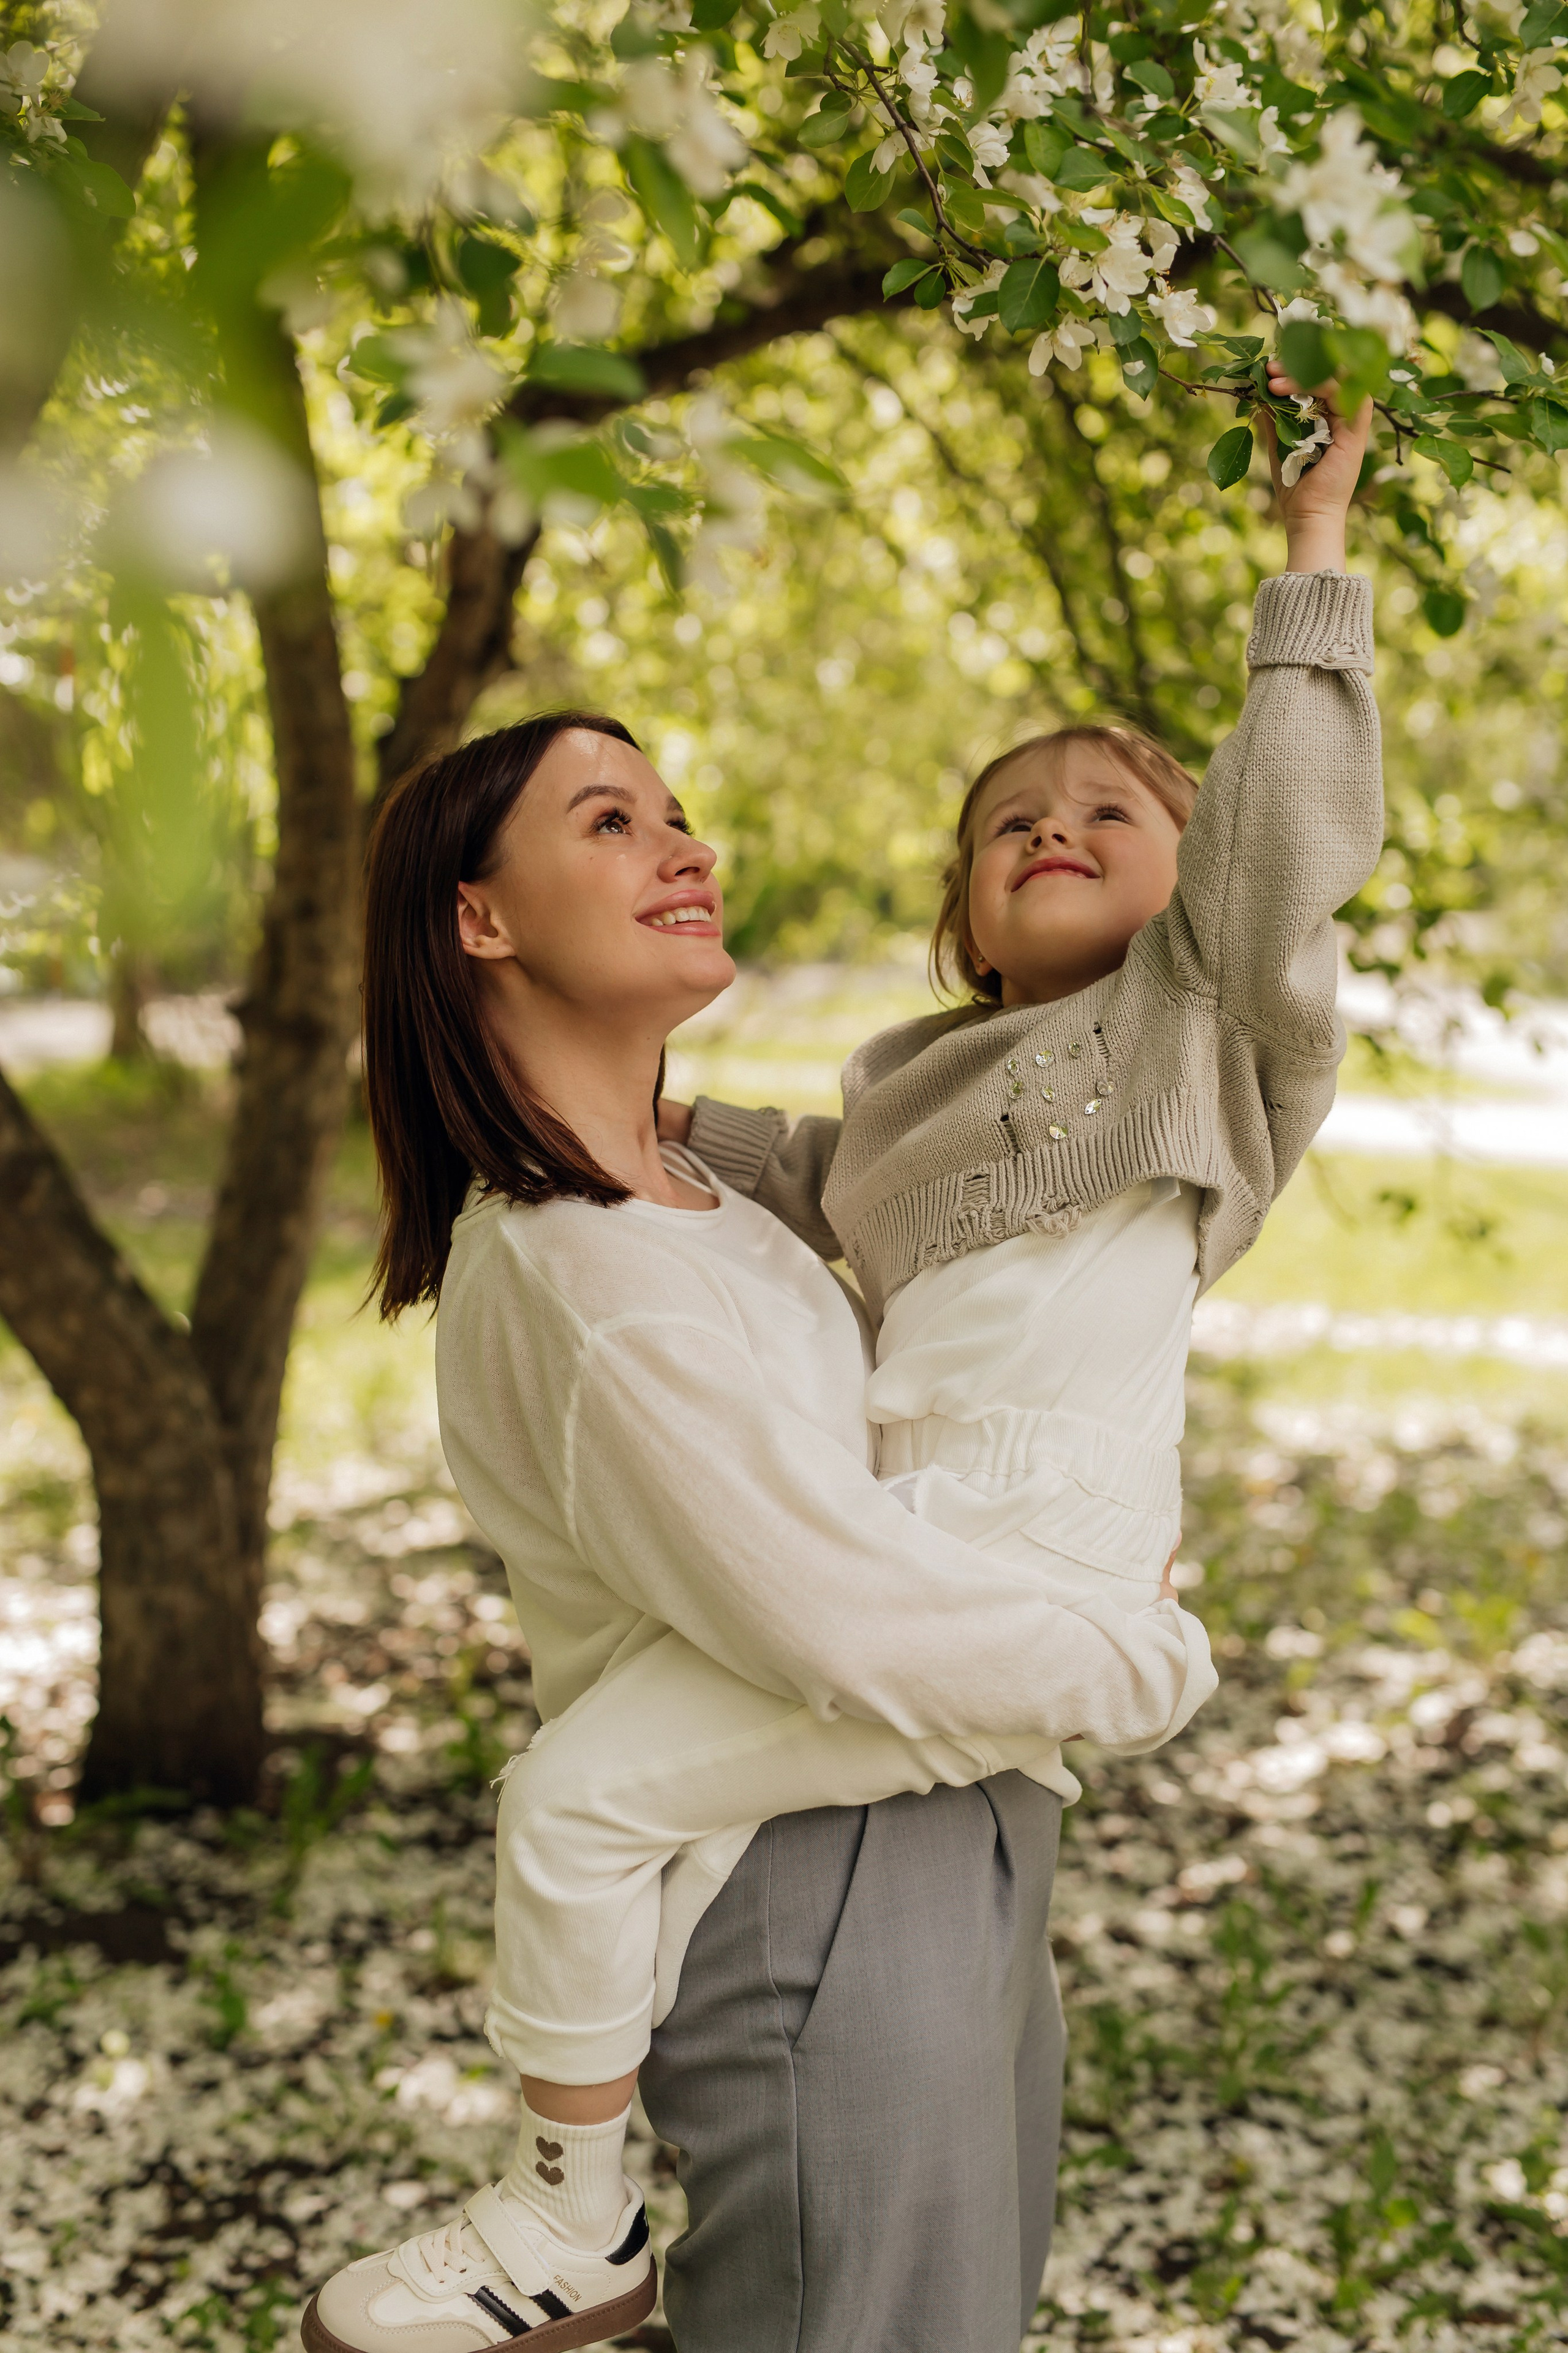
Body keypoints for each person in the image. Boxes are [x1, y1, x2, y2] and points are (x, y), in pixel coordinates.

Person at [302, 368, 1380, 2353]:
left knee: (941, 2294)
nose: (1056, 828)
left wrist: (1313, 558)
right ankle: (565, 2204)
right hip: (900, 1741)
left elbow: (1279, 849)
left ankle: (566, 2204)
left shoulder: (1187, 1021)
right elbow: (826, 1211)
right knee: (604, 1853)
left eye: (1115, 812)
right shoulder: (677, 1215)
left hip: (992, 1646)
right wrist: (1138, 1661)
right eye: (1012, 821)